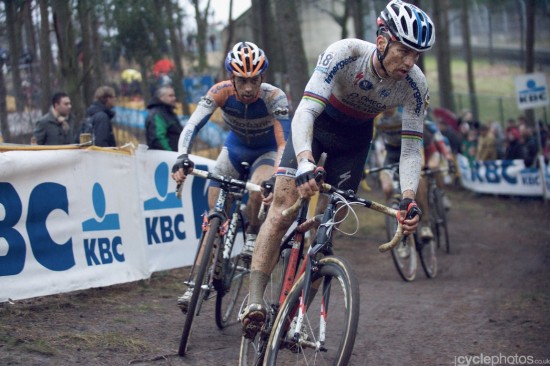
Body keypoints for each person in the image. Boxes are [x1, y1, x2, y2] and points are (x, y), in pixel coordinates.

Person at [238, 0, 435, 339]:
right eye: (404, 51)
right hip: (317, 128)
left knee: (326, 238)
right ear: (383, 39)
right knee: (283, 208)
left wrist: (407, 197)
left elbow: (411, 149)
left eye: (416, 55)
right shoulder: (345, 52)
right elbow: (305, 112)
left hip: (355, 143)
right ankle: (254, 300)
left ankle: (288, 321)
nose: (409, 62)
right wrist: (303, 161)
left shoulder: (415, 85)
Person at [171, 41, 291, 312]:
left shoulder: (275, 97)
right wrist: (182, 155)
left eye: (254, 80)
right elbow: (192, 125)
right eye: (241, 80)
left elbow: (284, 142)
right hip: (234, 150)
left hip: (267, 152)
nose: (248, 88)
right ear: (231, 78)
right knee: (213, 214)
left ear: (263, 78)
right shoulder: (220, 92)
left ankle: (251, 232)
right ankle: (196, 284)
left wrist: (278, 175)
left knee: (259, 187)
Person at [145, 86, 182, 151]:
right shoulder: (157, 114)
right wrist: (172, 154)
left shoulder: (168, 113)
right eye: (170, 96)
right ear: (161, 97)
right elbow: (158, 138)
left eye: (174, 95)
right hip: (168, 158)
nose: (174, 98)